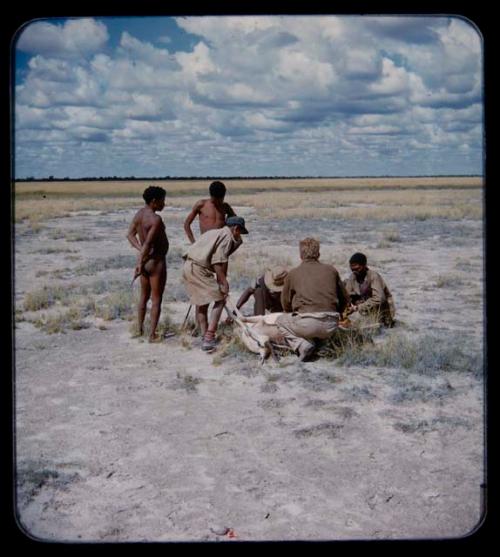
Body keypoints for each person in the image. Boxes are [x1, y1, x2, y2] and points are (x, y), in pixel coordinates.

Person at [182, 216, 249, 351]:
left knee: (202, 303)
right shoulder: (227, 236)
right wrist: (223, 282)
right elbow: (217, 263)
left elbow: (220, 260)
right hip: (198, 269)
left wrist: (221, 279)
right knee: (220, 299)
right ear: (235, 228)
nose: (239, 235)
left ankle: (204, 334)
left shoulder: (215, 232)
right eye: (239, 232)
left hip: (189, 266)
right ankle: (209, 337)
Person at [276, 238, 349, 361]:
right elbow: (345, 298)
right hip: (331, 324)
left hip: (306, 324)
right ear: (318, 254)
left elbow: (285, 303)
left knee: (280, 321)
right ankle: (322, 344)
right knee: (318, 330)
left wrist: (290, 312)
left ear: (300, 255)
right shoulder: (331, 270)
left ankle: (301, 344)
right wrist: (340, 313)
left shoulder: (293, 274)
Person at [127, 186, 169, 342]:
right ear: (154, 201)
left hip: (145, 261)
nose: (164, 203)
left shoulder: (139, 214)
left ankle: (139, 329)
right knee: (156, 299)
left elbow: (130, 235)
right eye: (162, 200)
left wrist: (140, 254)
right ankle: (152, 335)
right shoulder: (155, 219)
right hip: (155, 261)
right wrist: (141, 258)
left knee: (143, 297)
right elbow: (148, 243)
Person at [344, 252, 395, 327]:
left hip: (382, 311)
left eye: (357, 269)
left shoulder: (374, 276)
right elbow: (346, 295)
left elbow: (379, 298)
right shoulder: (353, 276)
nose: (354, 271)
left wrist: (358, 307)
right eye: (352, 269)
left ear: (364, 265)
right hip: (366, 309)